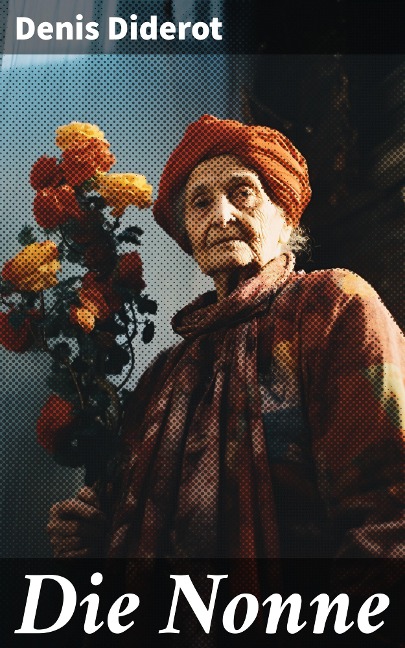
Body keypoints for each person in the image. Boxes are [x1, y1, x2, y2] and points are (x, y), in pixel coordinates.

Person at [48, 114, 404, 592]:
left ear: (284, 217)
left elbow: (389, 509)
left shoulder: (332, 305)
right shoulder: (164, 373)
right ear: (189, 236)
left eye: (242, 193)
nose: (221, 216)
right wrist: (94, 532)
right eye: (200, 203)